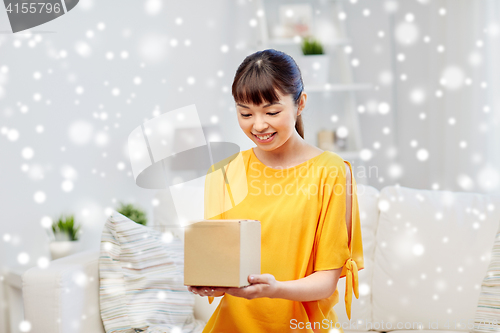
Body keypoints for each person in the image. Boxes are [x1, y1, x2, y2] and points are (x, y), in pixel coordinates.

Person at [187, 49, 364, 333]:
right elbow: (222, 276)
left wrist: (274, 289)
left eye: (272, 112)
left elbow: (326, 281)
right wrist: (208, 281)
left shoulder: (332, 171)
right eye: (245, 113)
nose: (258, 125)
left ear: (300, 103)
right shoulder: (223, 174)